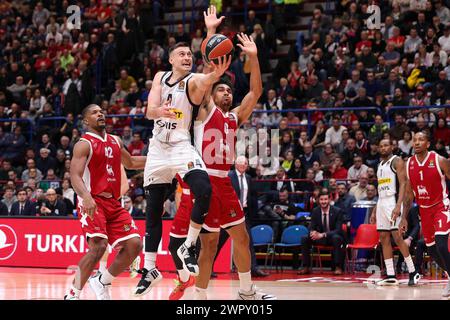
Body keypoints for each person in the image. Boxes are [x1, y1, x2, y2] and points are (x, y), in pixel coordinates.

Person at [168, 8, 275, 301]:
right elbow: (207, 76)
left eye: (229, 91)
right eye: (222, 90)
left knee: (241, 237)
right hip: (203, 182)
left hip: (224, 183)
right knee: (210, 245)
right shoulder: (204, 111)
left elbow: (254, 93)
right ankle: (200, 296)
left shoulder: (234, 117)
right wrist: (211, 33)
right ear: (213, 95)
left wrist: (253, 57)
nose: (227, 93)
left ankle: (246, 290)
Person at [134, 6, 231, 297]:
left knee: (203, 189)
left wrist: (211, 35)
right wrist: (157, 110)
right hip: (157, 149)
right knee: (152, 210)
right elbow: (149, 109)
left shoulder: (193, 82)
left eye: (190, 54)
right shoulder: (160, 77)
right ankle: (149, 267)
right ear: (171, 60)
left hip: (179, 146)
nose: (187, 57)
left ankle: (188, 246)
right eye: (182, 54)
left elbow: (208, 72)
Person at [64, 104, 145, 300]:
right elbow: (74, 175)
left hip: (114, 203)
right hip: (92, 200)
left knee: (134, 244)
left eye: (101, 111)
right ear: (85, 121)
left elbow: (131, 163)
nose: (100, 114)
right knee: (98, 246)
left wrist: (161, 160)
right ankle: (73, 294)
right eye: (94, 112)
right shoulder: (84, 144)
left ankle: (101, 281)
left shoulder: (116, 141)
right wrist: (86, 196)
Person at [405, 131, 450, 299]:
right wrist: (403, 217)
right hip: (424, 210)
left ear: (428, 143)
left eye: (421, 139)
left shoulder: (439, 160)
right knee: (430, 249)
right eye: (414, 140)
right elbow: (409, 194)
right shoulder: (409, 163)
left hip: (441, 206)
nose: (417, 142)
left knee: (440, 243)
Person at [369, 139, 420, 286]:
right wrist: (374, 210)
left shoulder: (397, 161)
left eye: (386, 145)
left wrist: (398, 205)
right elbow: (380, 189)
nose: (383, 148)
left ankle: (413, 271)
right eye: (381, 145)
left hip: (393, 201)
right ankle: (391, 275)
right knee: (384, 238)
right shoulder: (379, 165)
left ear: (392, 146)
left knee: (397, 237)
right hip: (382, 202)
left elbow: (403, 183)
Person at [298, 190, 345, 275]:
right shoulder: (315, 211)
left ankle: (338, 267)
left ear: (329, 200)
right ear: (318, 201)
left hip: (331, 237)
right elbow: (311, 227)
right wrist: (313, 233)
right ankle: (306, 267)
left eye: (325, 199)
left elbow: (338, 230)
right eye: (321, 199)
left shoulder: (337, 211)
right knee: (304, 238)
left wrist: (322, 234)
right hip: (319, 238)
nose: (323, 202)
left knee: (336, 238)